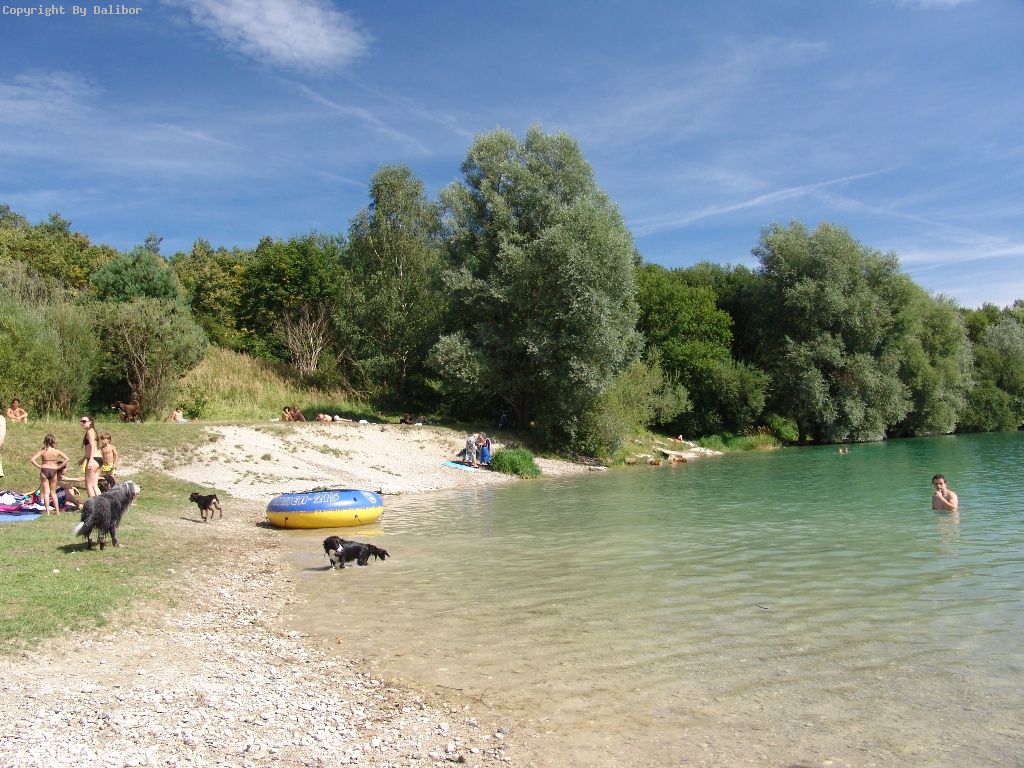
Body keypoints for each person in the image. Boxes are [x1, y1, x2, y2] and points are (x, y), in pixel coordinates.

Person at [29, 434, 70, 515]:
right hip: (53, 470)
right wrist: (59, 467)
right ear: (53, 442)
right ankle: (57, 511)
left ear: (45, 441)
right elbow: (67, 459)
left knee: (46, 492)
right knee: (53, 492)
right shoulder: (56, 451)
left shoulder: (42, 451)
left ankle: (48, 512)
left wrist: (39, 466)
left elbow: (32, 460)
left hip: (44, 470)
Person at [80, 415, 101, 497]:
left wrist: (90, 461)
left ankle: (92, 504)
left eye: (84, 421)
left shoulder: (89, 432)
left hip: (93, 459)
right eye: (81, 421)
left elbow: (92, 447)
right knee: (95, 486)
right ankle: (101, 503)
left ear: (90, 422)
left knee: (89, 485)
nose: (82, 423)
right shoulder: (93, 431)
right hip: (99, 459)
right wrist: (83, 459)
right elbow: (92, 447)